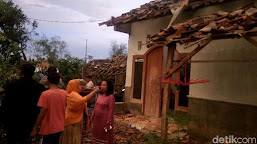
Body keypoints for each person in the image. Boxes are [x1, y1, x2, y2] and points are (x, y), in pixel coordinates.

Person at [2, 62, 45, 144]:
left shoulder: (12, 84)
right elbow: (41, 107)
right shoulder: (39, 87)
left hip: (13, 122)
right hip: (31, 122)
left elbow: (6, 104)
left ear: (21, 72)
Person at [30, 72, 67, 144]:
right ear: (59, 81)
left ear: (48, 80)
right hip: (60, 126)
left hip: (49, 127)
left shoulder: (45, 94)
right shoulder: (64, 93)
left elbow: (42, 112)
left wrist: (35, 128)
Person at [59, 79, 100, 144]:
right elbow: (82, 100)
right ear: (74, 86)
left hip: (72, 119)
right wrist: (94, 91)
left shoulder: (73, 94)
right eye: (78, 85)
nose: (80, 86)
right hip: (73, 121)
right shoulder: (73, 94)